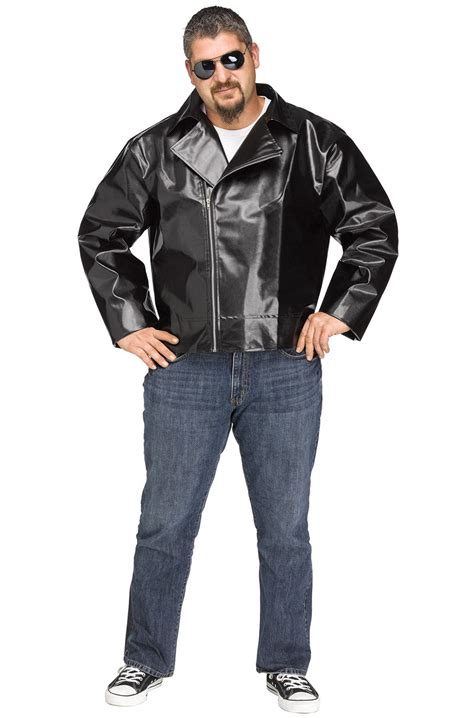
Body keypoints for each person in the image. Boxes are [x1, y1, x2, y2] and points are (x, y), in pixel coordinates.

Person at [77, 6, 398, 712]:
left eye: (231, 58)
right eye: (206, 65)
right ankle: (144, 659)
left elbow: (372, 226)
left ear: (254, 54)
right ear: (189, 72)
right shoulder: (155, 148)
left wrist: (339, 311)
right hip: (183, 366)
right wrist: (129, 323)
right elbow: (102, 234)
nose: (222, 75)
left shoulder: (312, 140)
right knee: (165, 524)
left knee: (285, 528)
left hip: (285, 364)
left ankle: (287, 662)